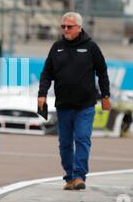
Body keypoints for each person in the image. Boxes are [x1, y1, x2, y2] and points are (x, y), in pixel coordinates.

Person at [37, 12, 111, 191]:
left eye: (69, 27)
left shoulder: (91, 47)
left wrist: (105, 96)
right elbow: (47, 73)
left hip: (85, 105)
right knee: (65, 143)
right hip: (63, 105)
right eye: (63, 26)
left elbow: (102, 71)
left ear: (79, 27)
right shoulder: (57, 47)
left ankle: (79, 175)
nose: (65, 30)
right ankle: (69, 176)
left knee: (82, 138)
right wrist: (42, 94)